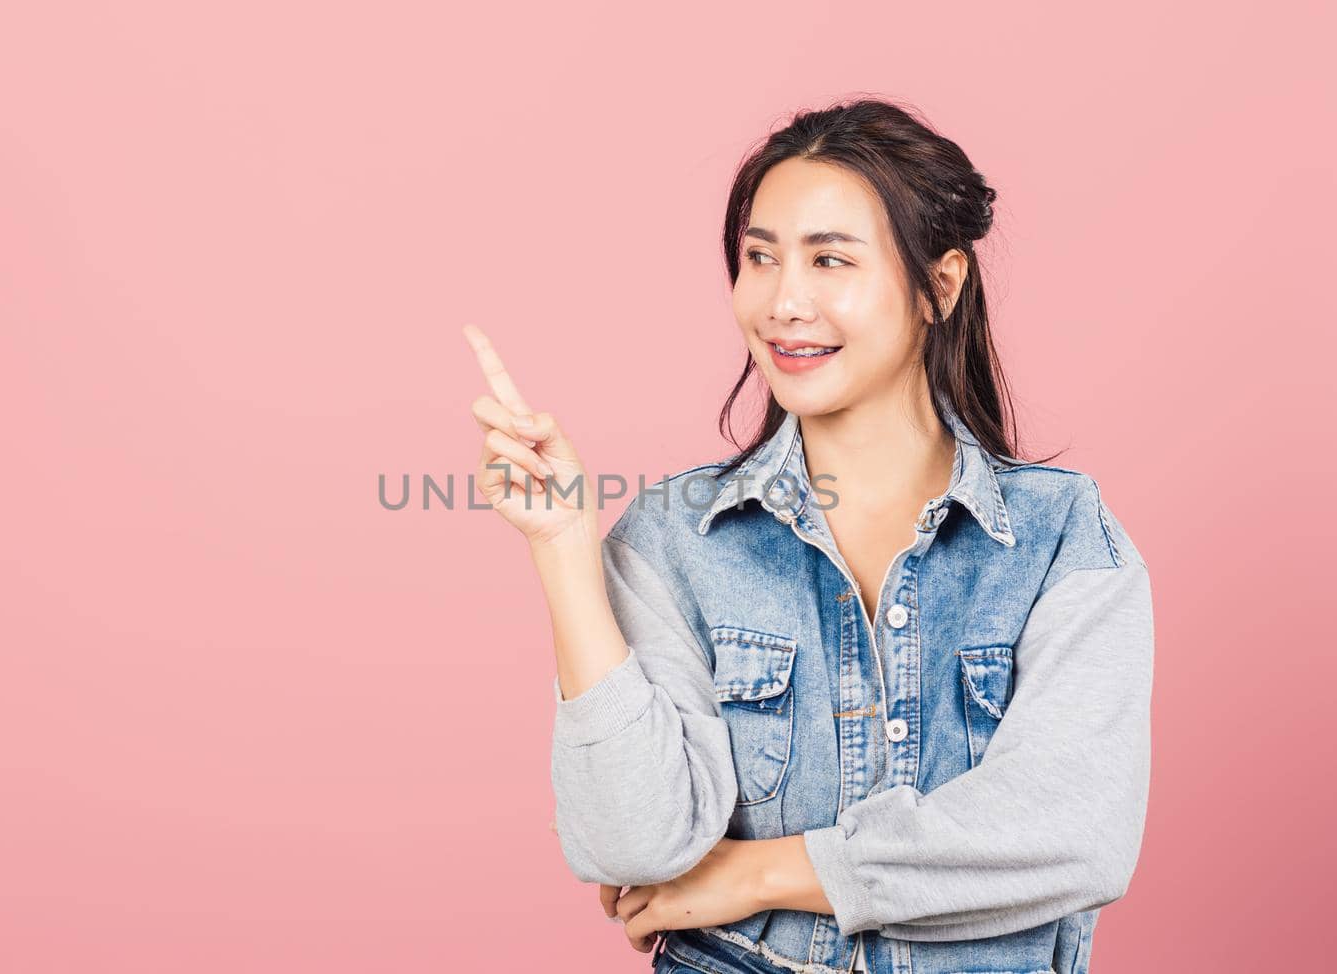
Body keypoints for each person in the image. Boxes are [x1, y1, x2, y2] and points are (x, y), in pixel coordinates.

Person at [462, 97, 1153, 974]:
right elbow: (632, 846)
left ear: (941, 284)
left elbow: (1073, 831)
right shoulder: (678, 538)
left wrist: (756, 874)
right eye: (761, 258)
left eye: (830, 260)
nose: (785, 301)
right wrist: (563, 549)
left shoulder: (1061, 538)